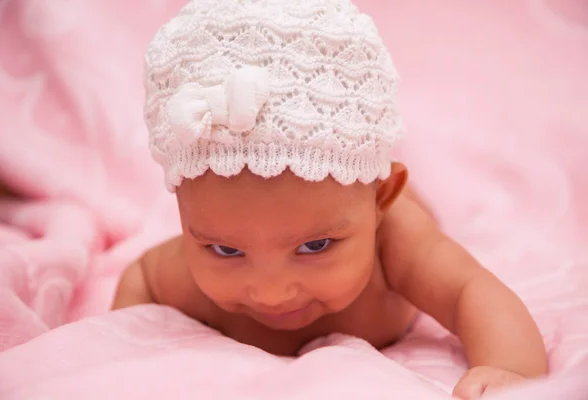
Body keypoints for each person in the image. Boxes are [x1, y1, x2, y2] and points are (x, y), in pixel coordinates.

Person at [112, 0, 548, 398]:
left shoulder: (394, 242)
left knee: (420, 220)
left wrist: (508, 368)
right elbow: (141, 279)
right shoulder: (184, 271)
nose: (271, 292)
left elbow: (468, 290)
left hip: (388, 211)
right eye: (227, 250)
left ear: (382, 199)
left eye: (314, 246)